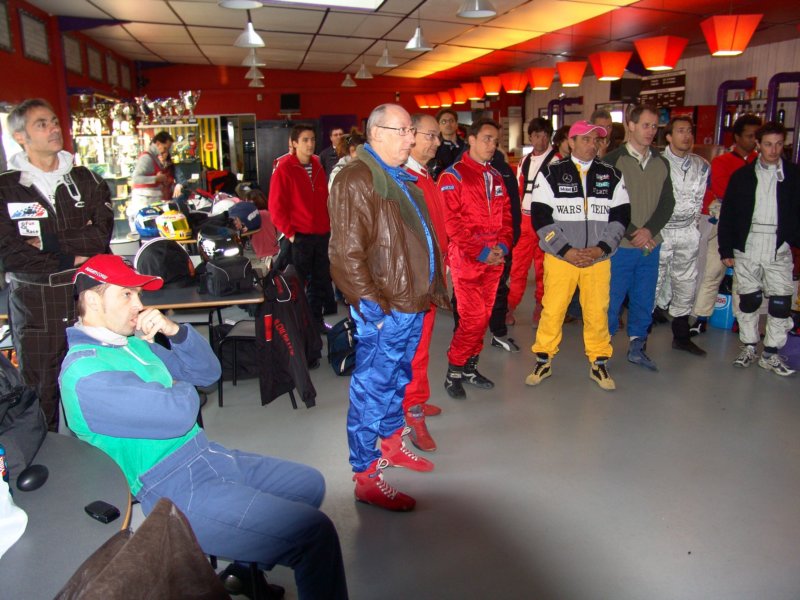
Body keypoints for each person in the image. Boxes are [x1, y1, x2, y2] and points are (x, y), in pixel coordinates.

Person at [59, 254, 348, 599]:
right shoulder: (84, 374)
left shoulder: (130, 343)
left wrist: (175, 332)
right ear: (93, 301)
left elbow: (208, 374)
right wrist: (179, 386)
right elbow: (181, 412)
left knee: (309, 484)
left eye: (138, 294)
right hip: (171, 487)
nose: (139, 304)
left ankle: (244, 573)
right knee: (315, 535)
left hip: (205, 455)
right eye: (126, 294)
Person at [328, 104, 448, 511]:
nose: (411, 138)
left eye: (412, 130)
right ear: (376, 133)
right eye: (403, 131)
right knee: (371, 391)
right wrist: (373, 310)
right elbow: (345, 255)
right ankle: (365, 476)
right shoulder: (356, 178)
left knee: (397, 379)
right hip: (386, 307)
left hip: (409, 302)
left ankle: (392, 444)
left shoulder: (396, 175)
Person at [0, 98, 113, 430]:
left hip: (87, 295)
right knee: (40, 388)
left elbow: (100, 237)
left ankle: (101, 448)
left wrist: (47, 242)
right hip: (34, 302)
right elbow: (10, 253)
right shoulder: (6, 188)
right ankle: (44, 452)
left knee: (98, 379)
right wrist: (71, 254)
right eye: (42, 124)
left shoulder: (87, 180)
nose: (53, 128)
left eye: (53, 121)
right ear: (20, 136)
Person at [525, 120, 630, 390]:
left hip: (598, 260)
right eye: (585, 139)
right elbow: (541, 219)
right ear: (571, 142)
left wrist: (601, 248)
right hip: (561, 259)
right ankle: (543, 358)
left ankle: (599, 361)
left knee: (597, 312)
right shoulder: (551, 174)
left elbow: (620, 218)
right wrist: (566, 250)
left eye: (596, 140)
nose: (592, 145)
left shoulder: (612, 175)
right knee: (553, 309)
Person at [718, 121, 800, 376]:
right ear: (758, 144)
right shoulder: (742, 177)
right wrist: (726, 249)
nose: (773, 150)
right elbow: (728, 213)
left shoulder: (794, 175)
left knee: (781, 302)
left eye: (778, 144)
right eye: (768, 144)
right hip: (748, 244)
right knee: (749, 300)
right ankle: (749, 346)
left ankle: (771, 353)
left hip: (778, 245)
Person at [440, 118, 513, 399]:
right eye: (486, 138)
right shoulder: (453, 176)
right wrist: (482, 252)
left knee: (483, 318)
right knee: (472, 319)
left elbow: (507, 217)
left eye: (495, 140)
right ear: (470, 140)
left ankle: (470, 368)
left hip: (494, 261)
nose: (492, 145)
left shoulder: (496, 176)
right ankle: (454, 372)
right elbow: (452, 225)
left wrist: (502, 247)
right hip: (467, 260)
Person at [604, 104, 675, 371]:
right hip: (620, 246)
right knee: (611, 300)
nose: (651, 131)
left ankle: (637, 347)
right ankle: (601, 351)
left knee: (644, 298)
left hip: (650, 245)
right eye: (646, 125)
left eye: (655, 126)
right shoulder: (612, 161)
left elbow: (668, 203)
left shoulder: (661, 162)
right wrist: (635, 232)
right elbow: (606, 204)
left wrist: (649, 231)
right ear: (631, 125)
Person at [402, 113, 448, 452]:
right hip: (414, 281)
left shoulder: (425, 176)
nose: (437, 142)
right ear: (412, 135)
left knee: (423, 345)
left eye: (438, 136)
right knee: (414, 350)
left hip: (431, 276)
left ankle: (417, 397)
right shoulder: (404, 180)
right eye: (430, 136)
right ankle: (412, 410)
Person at [690, 113, 761, 335]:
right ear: (737, 137)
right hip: (724, 224)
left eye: (756, 136)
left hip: (752, 227)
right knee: (713, 271)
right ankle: (701, 317)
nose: (753, 140)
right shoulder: (722, 162)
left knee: (745, 277)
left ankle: (742, 321)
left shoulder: (760, 162)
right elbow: (723, 191)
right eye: (749, 136)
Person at [269, 124, 335, 331]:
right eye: (305, 140)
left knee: (320, 282)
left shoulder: (317, 165)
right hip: (299, 236)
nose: (310, 144)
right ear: (294, 143)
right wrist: (290, 234)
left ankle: (315, 323)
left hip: (321, 234)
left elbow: (324, 200)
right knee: (296, 285)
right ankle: (298, 327)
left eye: (313, 139)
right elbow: (275, 207)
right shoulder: (284, 168)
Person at [654, 116, 709, 356]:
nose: (686, 136)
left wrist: (693, 227)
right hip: (661, 230)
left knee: (686, 282)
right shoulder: (656, 162)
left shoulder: (701, 165)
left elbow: (699, 201)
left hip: (687, 231)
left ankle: (681, 335)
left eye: (689, 131)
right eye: (680, 131)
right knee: (653, 283)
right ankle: (640, 340)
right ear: (668, 136)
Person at [507, 117, 556, 328]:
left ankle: (541, 306)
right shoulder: (524, 161)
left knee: (544, 269)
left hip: (546, 222)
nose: (541, 140)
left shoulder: (558, 161)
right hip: (524, 221)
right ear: (530, 137)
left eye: (545, 136)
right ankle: (510, 306)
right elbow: (518, 191)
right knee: (518, 267)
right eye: (537, 135)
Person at [129, 131, 175, 231]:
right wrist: (156, 179)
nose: (165, 151)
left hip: (150, 201)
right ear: (158, 143)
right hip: (144, 202)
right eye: (165, 148)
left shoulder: (153, 158)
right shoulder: (146, 158)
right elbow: (136, 179)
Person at [428, 108, 466, 180]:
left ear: (456, 124)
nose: (448, 124)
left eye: (451, 121)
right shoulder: (433, 147)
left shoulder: (466, 146)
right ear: (438, 126)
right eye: (444, 121)